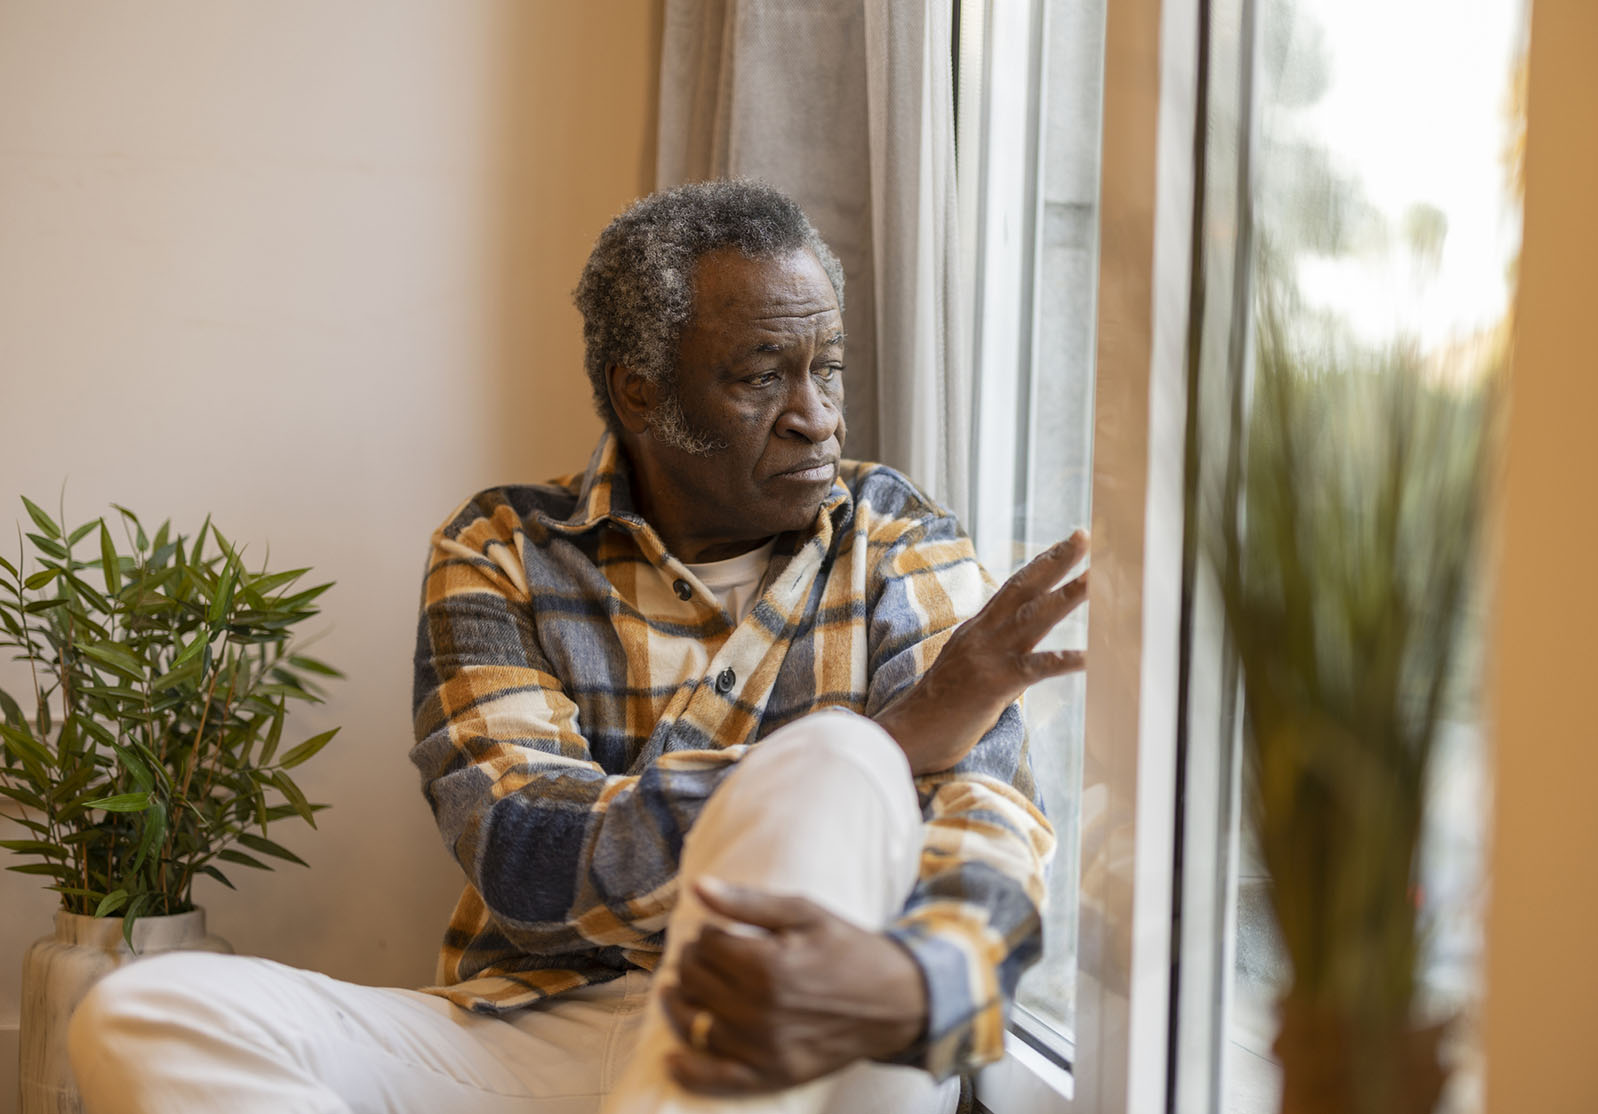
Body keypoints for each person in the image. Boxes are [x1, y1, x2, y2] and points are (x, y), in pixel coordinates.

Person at [66, 179, 1088, 1114]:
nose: (814, 418)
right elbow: (520, 850)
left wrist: (916, 977)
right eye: (762, 375)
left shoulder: (894, 535)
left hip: (801, 1033)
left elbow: (987, 814)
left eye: (826, 368)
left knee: (835, 782)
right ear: (639, 390)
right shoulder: (502, 549)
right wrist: (892, 740)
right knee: (143, 1010)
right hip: (530, 1031)